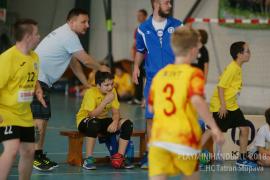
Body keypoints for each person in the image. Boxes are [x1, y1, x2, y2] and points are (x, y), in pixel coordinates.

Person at [31, 8, 109, 171]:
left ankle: (35, 154)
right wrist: (101, 68)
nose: (87, 25)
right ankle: (35, 156)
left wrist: (85, 83)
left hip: (39, 78)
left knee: (41, 118)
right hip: (37, 80)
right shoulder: (68, 35)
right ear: (71, 22)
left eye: (88, 22)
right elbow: (86, 61)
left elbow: (73, 62)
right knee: (40, 118)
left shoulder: (65, 35)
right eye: (83, 22)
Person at [148, 28, 224, 180]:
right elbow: (197, 100)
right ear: (193, 50)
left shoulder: (160, 74)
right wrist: (214, 128)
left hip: (159, 138)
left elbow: (151, 107)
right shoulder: (194, 74)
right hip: (184, 139)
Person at [132, 0, 182, 168]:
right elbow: (140, 50)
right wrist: (135, 67)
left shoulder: (178, 25)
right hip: (153, 81)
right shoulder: (143, 29)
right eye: (166, 2)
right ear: (155, 4)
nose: (170, 5)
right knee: (151, 119)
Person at [202, 41, 257, 168]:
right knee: (210, 131)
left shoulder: (237, 68)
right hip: (223, 107)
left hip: (232, 106)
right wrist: (222, 106)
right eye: (247, 51)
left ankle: (241, 159)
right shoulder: (232, 69)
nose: (250, 53)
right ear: (239, 54)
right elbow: (221, 87)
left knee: (244, 128)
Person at [0, 19, 43, 179]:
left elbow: (31, 76)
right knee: (11, 150)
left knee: (29, 151)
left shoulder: (35, 57)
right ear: (27, 37)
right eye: (36, 34)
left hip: (24, 113)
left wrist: (37, 89)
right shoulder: (7, 59)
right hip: (6, 112)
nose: (39, 37)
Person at [76, 71, 134, 170]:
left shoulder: (113, 92)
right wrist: (105, 101)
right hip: (85, 120)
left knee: (128, 124)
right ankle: (88, 159)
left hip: (102, 120)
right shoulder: (90, 92)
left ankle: (119, 157)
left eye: (111, 84)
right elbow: (92, 114)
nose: (110, 87)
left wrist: (115, 122)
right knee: (94, 122)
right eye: (106, 85)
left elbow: (116, 112)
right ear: (98, 85)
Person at [129, 9, 148, 105]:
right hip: (139, 59)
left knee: (148, 78)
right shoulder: (137, 29)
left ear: (145, 16)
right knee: (138, 77)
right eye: (137, 15)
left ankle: (147, 99)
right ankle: (137, 98)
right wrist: (133, 53)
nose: (138, 17)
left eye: (140, 15)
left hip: (147, 58)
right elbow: (136, 43)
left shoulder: (149, 27)